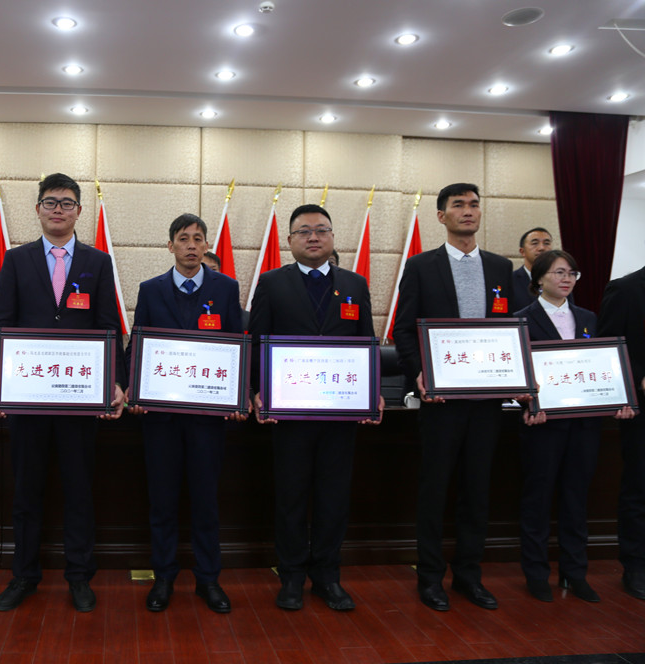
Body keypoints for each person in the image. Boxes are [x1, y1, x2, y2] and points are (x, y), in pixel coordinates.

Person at [0, 172, 125, 613]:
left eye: (66, 203)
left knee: (79, 490)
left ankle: (79, 576)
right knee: (26, 491)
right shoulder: (16, 260)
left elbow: (109, 325)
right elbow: (2, 325)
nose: (57, 209)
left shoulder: (98, 261)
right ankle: (24, 576)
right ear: (38, 209)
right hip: (28, 398)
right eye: (50, 202)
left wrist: (115, 382)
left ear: (79, 211)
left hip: (80, 398)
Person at [249, 204, 382, 612]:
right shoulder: (272, 283)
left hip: (340, 413)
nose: (313, 237)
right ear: (290, 241)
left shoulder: (355, 284)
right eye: (304, 231)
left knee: (333, 496)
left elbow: (367, 341)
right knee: (291, 496)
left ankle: (327, 577)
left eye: (321, 230)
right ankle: (291, 577)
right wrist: (255, 390)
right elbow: (257, 341)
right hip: (289, 413)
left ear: (332, 237)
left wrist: (373, 389)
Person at [392, 183, 515, 612]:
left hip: (486, 402)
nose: (468, 211)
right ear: (441, 216)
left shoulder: (501, 267)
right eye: (458, 205)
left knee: (477, 491)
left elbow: (511, 330)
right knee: (435, 491)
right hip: (440, 402)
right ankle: (429, 578)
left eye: (474, 204)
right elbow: (403, 330)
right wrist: (419, 374)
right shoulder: (421, 266)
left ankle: (469, 575)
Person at [127, 214, 245, 614]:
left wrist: (237, 396)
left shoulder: (226, 289)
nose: (191, 245)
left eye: (198, 239)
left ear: (207, 245)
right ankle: (163, 578)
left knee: (206, 501)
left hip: (208, 419)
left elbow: (236, 344)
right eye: (183, 238)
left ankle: (208, 580)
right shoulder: (151, 290)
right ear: (170, 246)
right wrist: (135, 388)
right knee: (162, 501)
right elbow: (138, 345)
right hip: (160, 418)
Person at [516, 250, 635, 603]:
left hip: (584, 426)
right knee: (537, 501)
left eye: (572, 273)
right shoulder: (521, 320)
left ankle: (574, 572)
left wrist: (619, 398)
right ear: (539, 279)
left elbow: (604, 364)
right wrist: (527, 401)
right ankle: (536, 574)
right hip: (543, 425)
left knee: (577, 499)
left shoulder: (588, 318)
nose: (566, 279)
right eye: (558, 272)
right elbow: (517, 374)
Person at [599, 262, 645, 601]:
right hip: (641, 410)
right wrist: (639, 378)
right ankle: (636, 566)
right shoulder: (626, 289)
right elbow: (608, 346)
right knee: (639, 490)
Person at [512, 228, 554, 312]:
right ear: (522, 251)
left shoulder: (560, 280)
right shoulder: (509, 281)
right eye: (535, 243)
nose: (542, 248)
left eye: (546, 243)